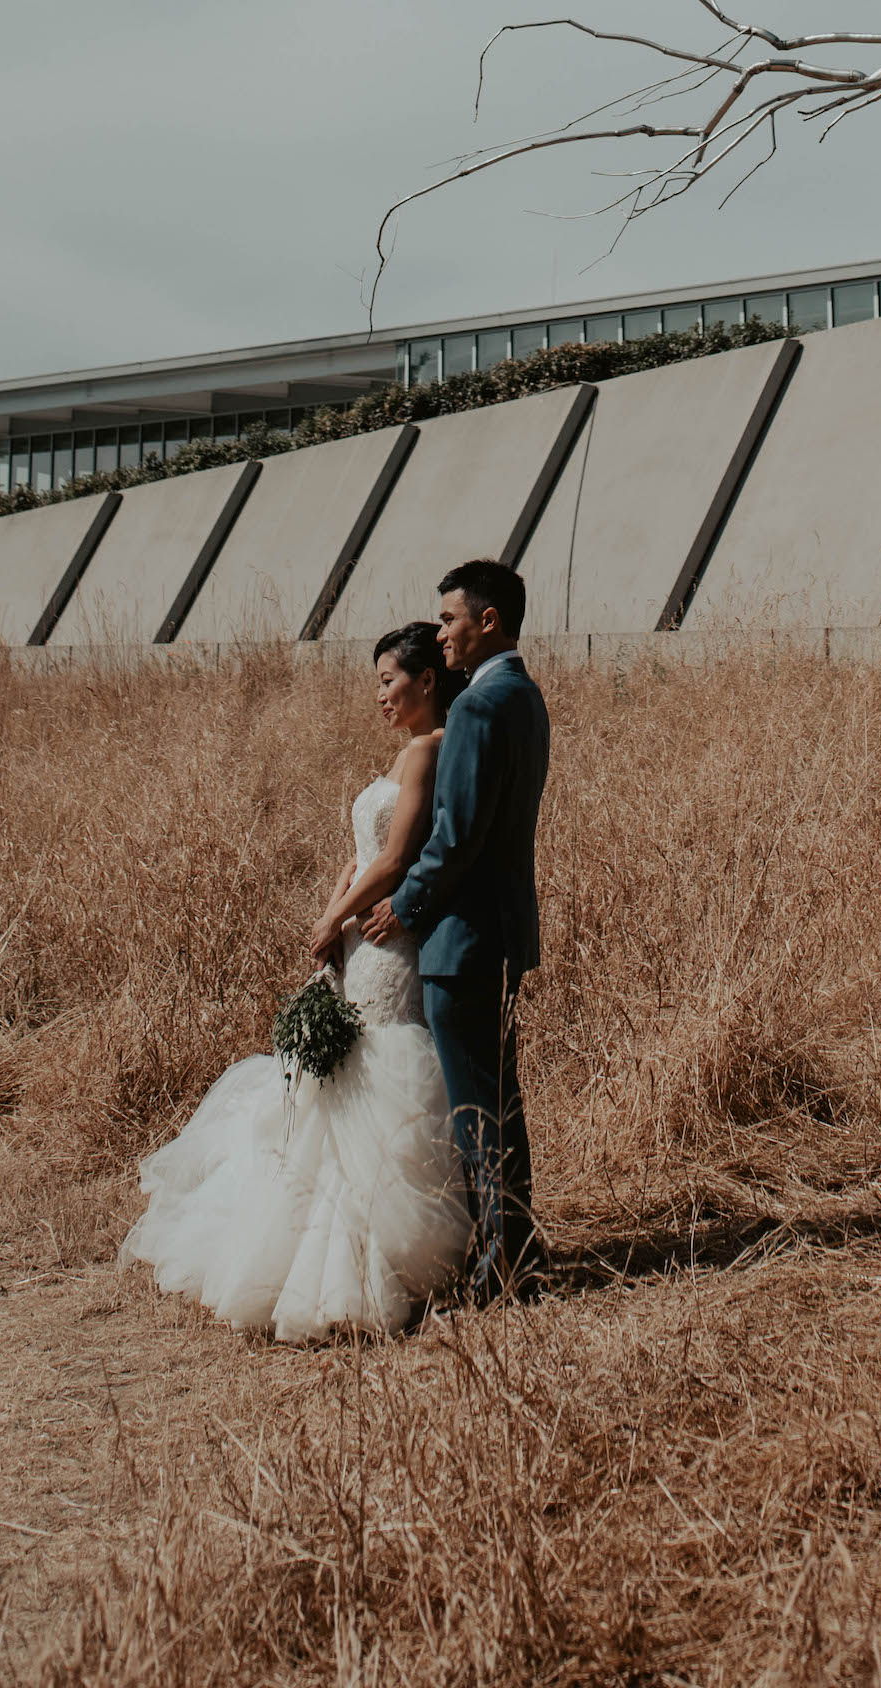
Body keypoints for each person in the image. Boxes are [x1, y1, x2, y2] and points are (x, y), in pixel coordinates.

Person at [117, 622, 472, 1340]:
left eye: (387, 680)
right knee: (338, 1085)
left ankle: (371, 1260)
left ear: (425, 680)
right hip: (361, 936)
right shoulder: (405, 754)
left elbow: (399, 856)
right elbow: (365, 851)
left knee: (374, 1075)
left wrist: (331, 918)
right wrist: (337, 899)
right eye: (376, 682)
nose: (379, 694)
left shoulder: (430, 752)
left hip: (385, 942)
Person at [363, 557, 550, 1304]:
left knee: (477, 1109)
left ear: (488, 622)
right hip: (501, 926)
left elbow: (457, 833)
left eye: (448, 619)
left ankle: (503, 1268)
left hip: (462, 936)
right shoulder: (524, 695)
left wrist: (402, 907)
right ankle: (518, 1250)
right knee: (497, 1100)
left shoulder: (476, 706)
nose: (441, 632)